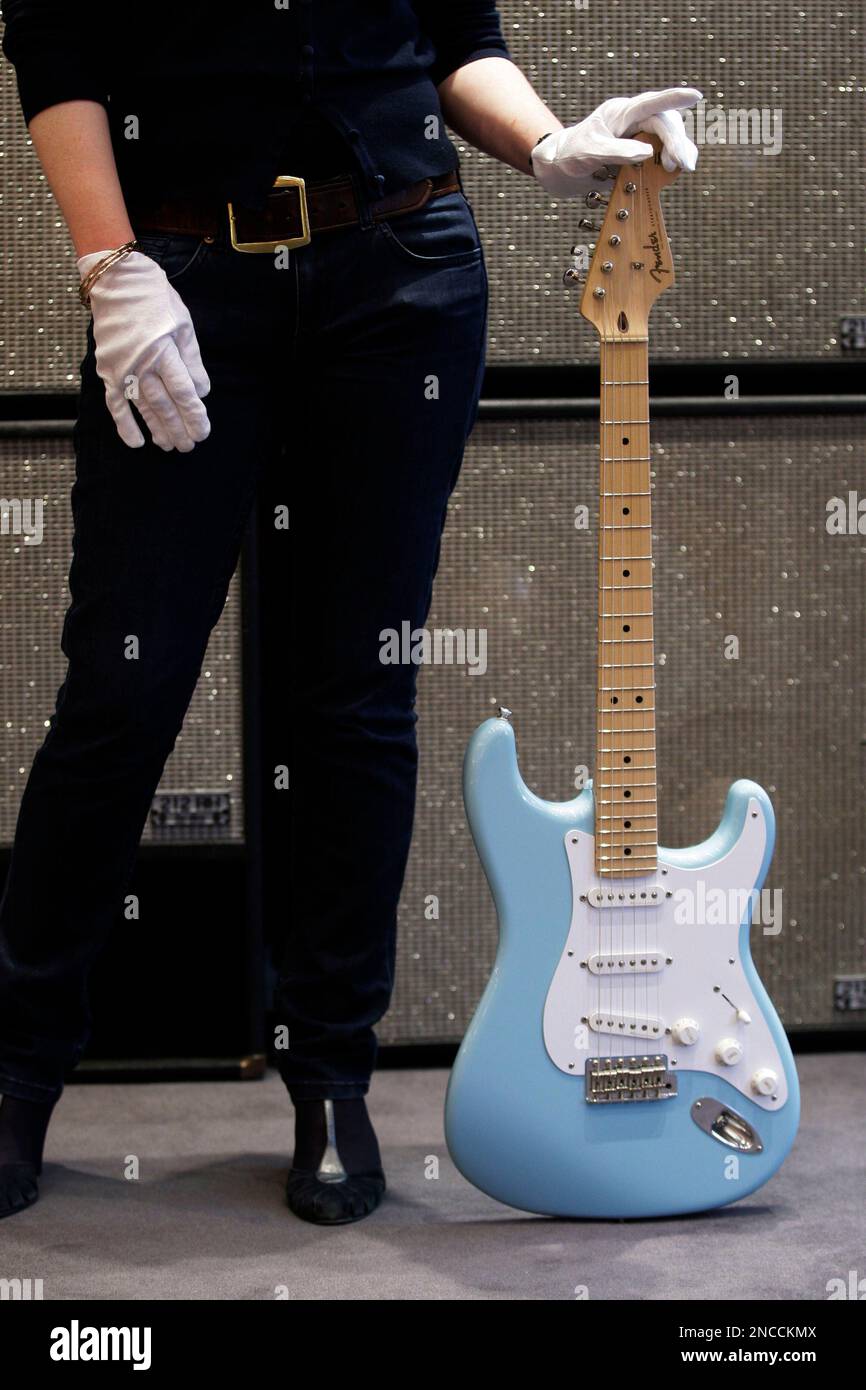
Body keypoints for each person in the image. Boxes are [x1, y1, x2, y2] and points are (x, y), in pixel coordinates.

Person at [0, 0, 700, 1226]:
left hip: (400, 277)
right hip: (183, 272)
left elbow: (454, 40)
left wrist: (546, 143)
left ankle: (330, 1078)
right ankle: (15, 1069)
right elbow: (55, 50)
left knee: (354, 700)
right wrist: (109, 266)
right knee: (122, 690)